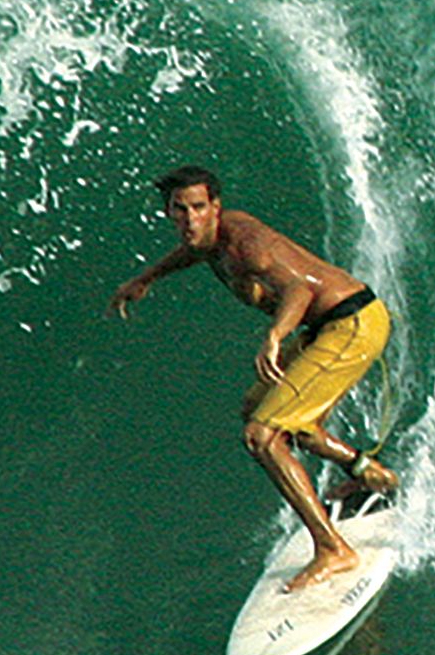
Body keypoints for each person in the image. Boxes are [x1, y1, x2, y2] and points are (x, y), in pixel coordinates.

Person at [110, 165, 397, 589]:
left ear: (215, 207)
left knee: (262, 434)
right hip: (333, 326)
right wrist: (146, 278)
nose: (190, 218)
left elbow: (300, 289)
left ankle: (333, 550)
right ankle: (369, 474)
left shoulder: (248, 244)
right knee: (259, 409)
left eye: (199, 207)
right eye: (180, 209)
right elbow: (195, 251)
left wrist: (276, 335)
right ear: (169, 212)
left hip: (351, 323)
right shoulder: (211, 239)